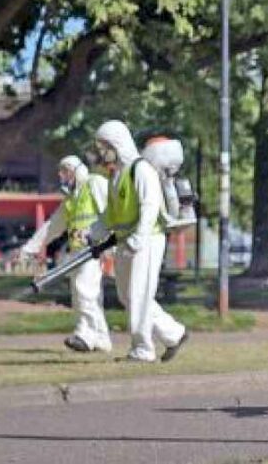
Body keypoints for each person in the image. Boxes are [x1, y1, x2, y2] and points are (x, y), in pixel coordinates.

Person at [91, 120, 189, 363]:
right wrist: (93, 233)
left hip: (147, 241)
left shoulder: (141, 169)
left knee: (139, 294)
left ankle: (143, 350)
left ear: (117, 143)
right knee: (128, 296)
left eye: (104, 146)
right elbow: (110, 214)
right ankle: (173, 334)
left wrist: (140, 237)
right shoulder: (116, 176)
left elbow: (150, 205)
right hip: (126, 242)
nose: (102, 152)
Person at [20, 156, 112, 353]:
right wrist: (30, 248)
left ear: (77, 170)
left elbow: (111, 212)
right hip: (79, 252)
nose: (62, 176)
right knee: (84, 295)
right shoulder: (71, 199)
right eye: (61, 171)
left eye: (65, 171)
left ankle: (86, 335)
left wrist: (110, 245)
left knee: (84, 290)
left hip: (96, 249)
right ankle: (102, 339)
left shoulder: (95, 184)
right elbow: (52, 226)